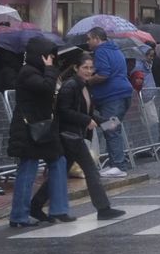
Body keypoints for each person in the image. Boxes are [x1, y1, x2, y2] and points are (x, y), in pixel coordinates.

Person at [33, 53, 125, 221]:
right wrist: (86, 120)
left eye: (91, 68)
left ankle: (36, 204)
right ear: (76, 68)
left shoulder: (84, 86)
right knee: (91, 171)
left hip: (74, 135)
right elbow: (64, 111)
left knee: (60, 173)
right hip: (68, 136)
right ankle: (103, 208)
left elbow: (86, 112)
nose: (88, 71)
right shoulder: (70, 86)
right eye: (85, 68)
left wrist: (105, 122)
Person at [8, 36, 71, 227]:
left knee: (59, 161)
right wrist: (51, 71)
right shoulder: (28, 72)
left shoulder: (40, 71)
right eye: (48, 56)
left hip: (43, 127)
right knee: (27, 171)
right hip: (30, 130)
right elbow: (46, 88)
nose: (51, 59)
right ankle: (19, 216)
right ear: (40, 55)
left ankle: (59, 208)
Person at [84, 27, 134, 178]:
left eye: (89, 39)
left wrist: (87, 81)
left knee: (111, 130)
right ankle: (115, 163)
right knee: (111, 128)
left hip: (112, 97)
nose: (87, 42)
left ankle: (118, 165)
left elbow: (104, 74)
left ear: (97, 39)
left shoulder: (101, 51)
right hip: (122, 95)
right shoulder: (115, 49)